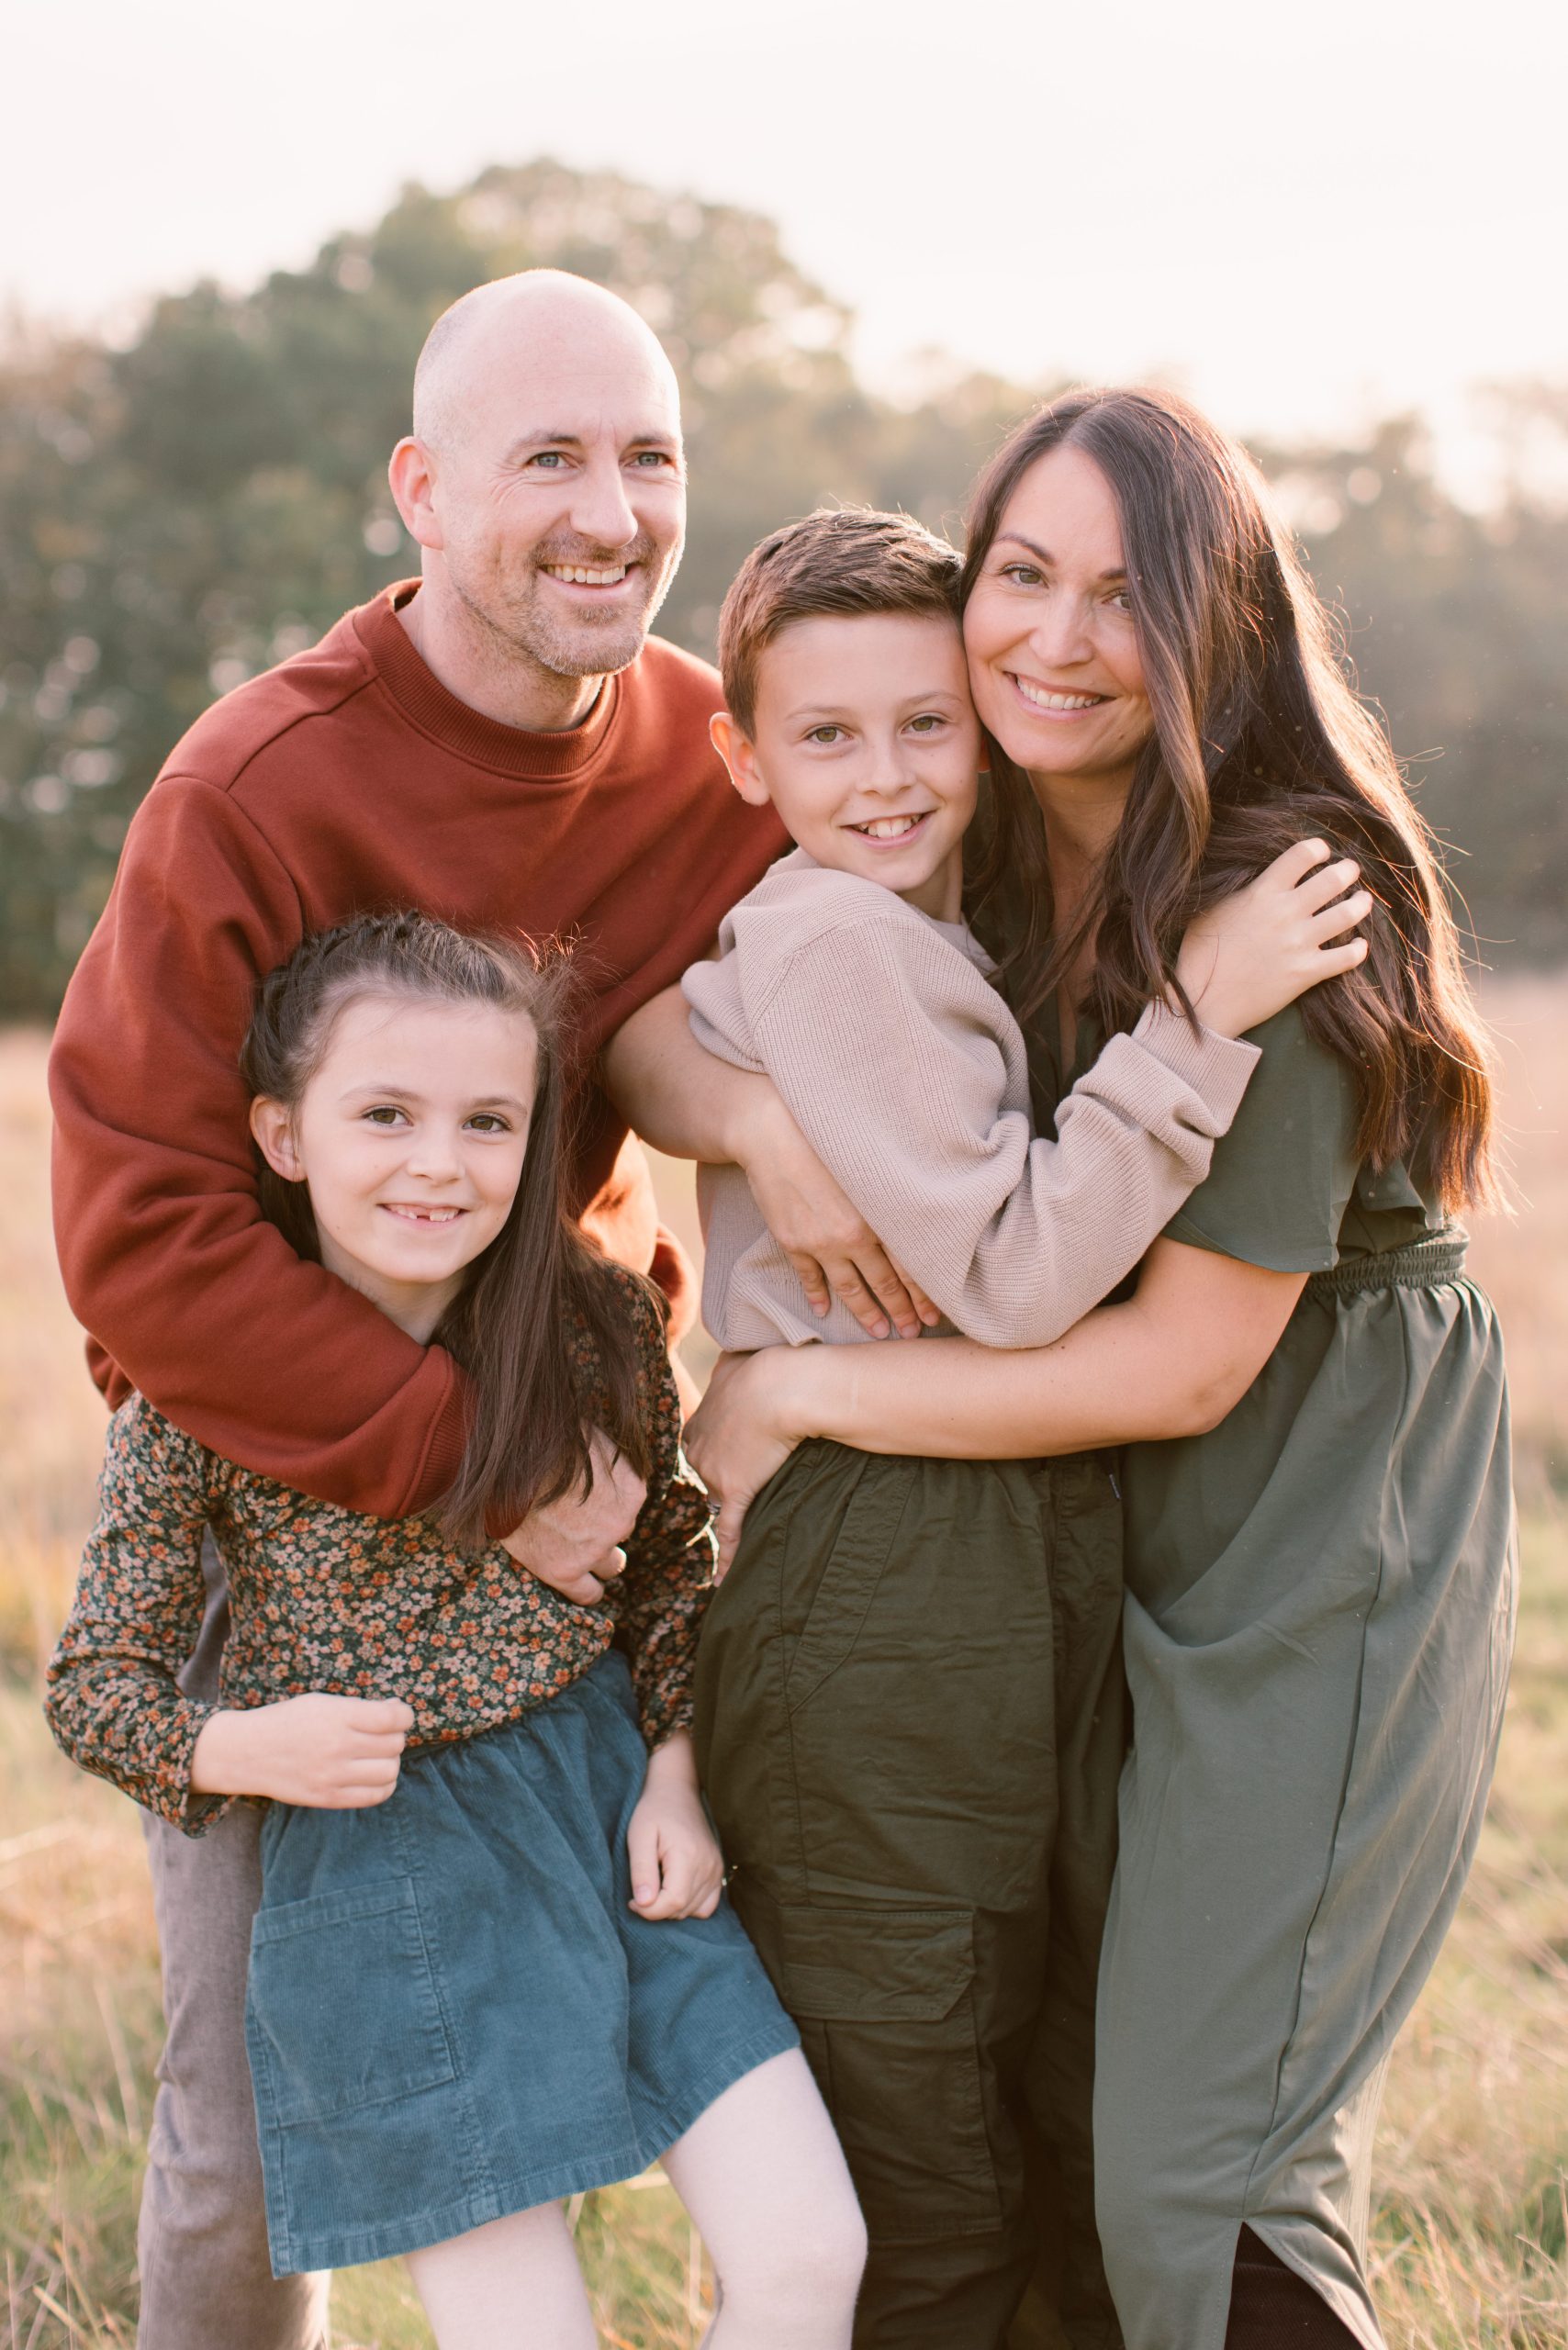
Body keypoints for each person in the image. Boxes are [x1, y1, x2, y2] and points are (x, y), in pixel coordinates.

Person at [608, 390, 1514, 2350]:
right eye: (1019, 574)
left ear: (1218, 624)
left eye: (1125, 591)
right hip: (1077, 1528)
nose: (1052, 634)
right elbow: (660, 1022)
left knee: (1200, 2150)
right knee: (1052, 2109)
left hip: (1296, 1512)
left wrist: (788, 1393)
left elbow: (1172, 1362)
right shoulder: (968, 832)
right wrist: (761, 1123)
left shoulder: (1275, 902)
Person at [45, 269, 803, 2350]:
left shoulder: (703, 755)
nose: (607, 510)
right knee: (247, 2121)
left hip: (569, 1506)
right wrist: (467, 1465)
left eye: (646, 455)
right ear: (419, 487)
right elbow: (139, 1236)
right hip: (283, 1515)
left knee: (667, 2006)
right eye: (545, 457)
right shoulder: (255, 783)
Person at [47, 913, 867, 2350]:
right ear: (285, 1136)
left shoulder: (589, 1327)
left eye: (487, 1121)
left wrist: (674, 1765)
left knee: (810, 2252)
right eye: (386, 1115)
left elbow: (672, 1559)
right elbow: (96, 1688)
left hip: (611, 1816)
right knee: (524, 2334)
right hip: (389, 1869)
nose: (441, 1163)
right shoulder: (204, 1393)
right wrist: (247, 1746)